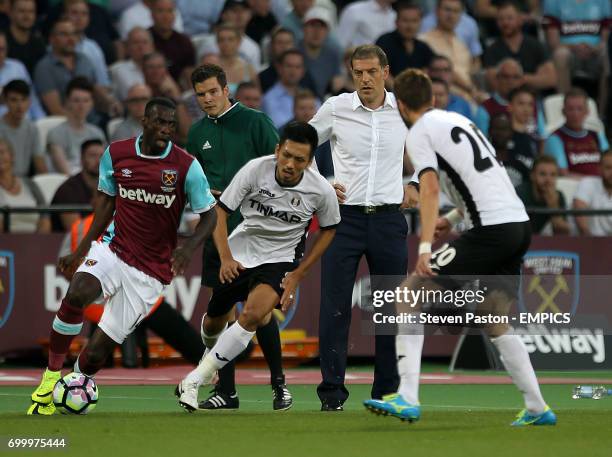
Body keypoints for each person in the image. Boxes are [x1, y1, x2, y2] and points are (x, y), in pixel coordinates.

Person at [363, 68, 557, 427]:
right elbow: (483, 178)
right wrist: (452, 220)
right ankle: (537, 408)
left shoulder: (418, 131)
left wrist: (423, 247)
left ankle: (407, 396)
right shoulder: (460, 120)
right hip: (518, 224)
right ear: (434, 99)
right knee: (493, 316)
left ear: (401, 104)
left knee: (409, 292)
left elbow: (430, 188)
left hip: (492, 229)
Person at [27, 97, 217, 415]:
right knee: (77, 294)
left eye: (171, 124)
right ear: (145, 122)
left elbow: (209, 216)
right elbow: (105, 206)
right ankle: (49, 377)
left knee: (96, 354)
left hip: (151, 272)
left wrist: (188, 246)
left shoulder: (186, 166)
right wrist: (81, 249)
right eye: (159, 122)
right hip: (113, 248)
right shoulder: (117, 153)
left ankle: (79, 381)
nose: (166, 129)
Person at [177, 121, 340, 412]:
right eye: (286, 155)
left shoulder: (321, 191)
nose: (290, 164)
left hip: (279, 259)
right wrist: (226, 258)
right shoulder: (255, 169)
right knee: (213, 322)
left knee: (253, 315)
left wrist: (299, 273)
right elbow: (221, 211)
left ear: (310, 161)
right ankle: (209, 356)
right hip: (240, 253)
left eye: (300, 159)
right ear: (278, 150)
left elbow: (329, 230)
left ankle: (194, 380)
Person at [309, 45, 415, 411]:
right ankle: (332, 395)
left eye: (371, 71)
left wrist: (414, 181)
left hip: (388, 220)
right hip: (343, 219)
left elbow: (428, 150)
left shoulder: (404, 111)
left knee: (390, 310)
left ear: (386, 72)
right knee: (335, 307)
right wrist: (322, 183)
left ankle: (385, 394)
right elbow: (297, 146)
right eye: (358, 73)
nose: (365, 79)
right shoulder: (336, 108)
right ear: (351, 74)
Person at [186, 64, 293, 410]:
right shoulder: (197, 132)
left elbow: (282, 167)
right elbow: (195, 183)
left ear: (225, 89)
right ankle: (226, 392)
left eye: (213, 92)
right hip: (218, 234)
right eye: (200, 94)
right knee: (224, 312)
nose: (207, 99)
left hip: (258, 233)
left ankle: (279, 385)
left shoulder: (255, 122)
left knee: (259, 313)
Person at [482, 1, 556, 93]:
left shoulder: (535, 46)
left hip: (533, 100)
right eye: (501, 19)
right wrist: (534, 79)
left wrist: (524, 79)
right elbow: (493, 83)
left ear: (520, 20)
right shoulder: (492, 50)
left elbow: (551, 79)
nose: (505, 23)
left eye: (509, 18)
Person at [46, 77, 106, 175]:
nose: (81, 106)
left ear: (92, 104)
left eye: (86, 101)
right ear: (67, 102)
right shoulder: (55, 133)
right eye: (76, 100)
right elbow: (64, 171)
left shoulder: (97, 133)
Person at [544, 87, 609, 176]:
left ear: (587, 111)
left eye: (579, 109)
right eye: (571, 109)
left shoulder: (597, 136)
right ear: (563, 111)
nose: (575, 114)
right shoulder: (555, 138)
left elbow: (609, 165)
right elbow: (563, 173)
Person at [50, 138, 105, 232]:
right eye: (92, 156)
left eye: (102, 156)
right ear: (82, 159)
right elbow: (75, 230)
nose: (98, 161)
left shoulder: (109, 186)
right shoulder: (67, 189)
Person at [375, 1, 434, 85]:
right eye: (405, 20)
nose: (410, 26)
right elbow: (378, 70)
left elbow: (434, 66)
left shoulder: (423, 47)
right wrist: (400, 91)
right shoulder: (384, 42)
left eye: (414, 21)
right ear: (396, 22)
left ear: (420, 23)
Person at [0, 138, 49, 233]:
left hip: (35, 242)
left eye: (2, 152)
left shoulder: (30, 184)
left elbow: (45, 217)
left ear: (12, 156)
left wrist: (37, 243)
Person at [0, 79, 46, 177]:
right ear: (5, 101)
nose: (19, 106)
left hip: (24, 182)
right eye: (14, 100)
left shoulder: (32, 128)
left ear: (29, 102)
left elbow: (39, 163)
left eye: (23, 99)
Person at [516, 155, 570, 235]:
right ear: (532, 176)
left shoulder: (558, 196)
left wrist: (553, 206)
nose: (548, 180)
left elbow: (562, 234)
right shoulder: (519, 194)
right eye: (542, 174)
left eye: (553, 175)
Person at [573, 151, 612, 236]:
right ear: (600, 169)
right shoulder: (587, 183)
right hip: (585, 242)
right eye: (608, 168)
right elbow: (581, 221)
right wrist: (591, 244)